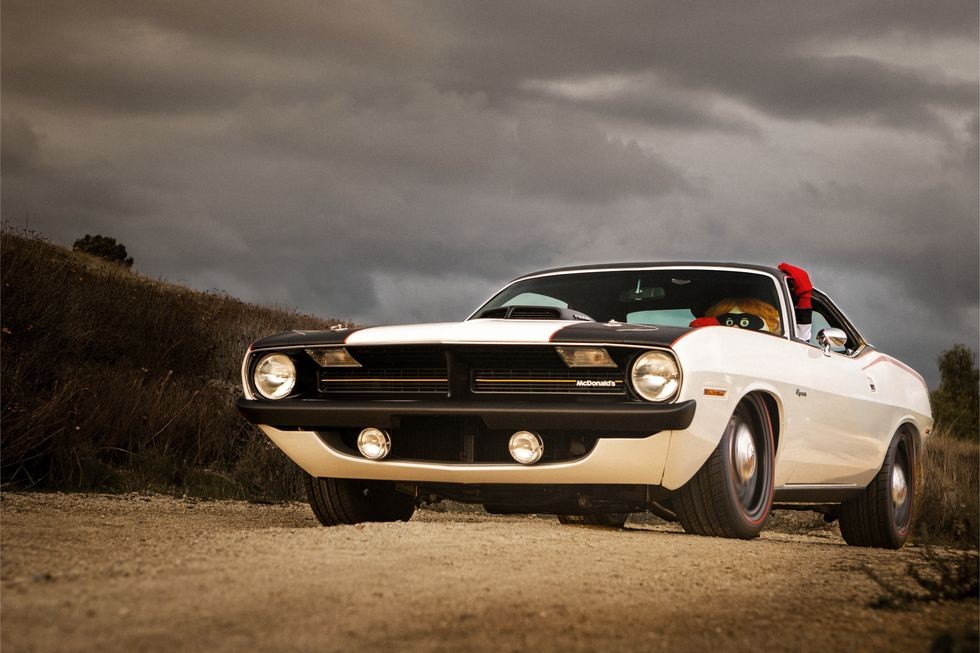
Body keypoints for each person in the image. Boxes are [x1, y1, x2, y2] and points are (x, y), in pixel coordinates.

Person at [689, 262, 812, 340]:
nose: (735, 328)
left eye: (745, 322)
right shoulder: (705, 347)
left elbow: (800, 344)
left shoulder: (777, 345)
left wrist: (804, 298)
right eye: (728, 321)